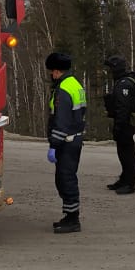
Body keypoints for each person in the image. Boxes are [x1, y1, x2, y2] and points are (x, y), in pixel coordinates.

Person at [45, 52, 87, 234]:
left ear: (56, 71)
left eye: (51, 72)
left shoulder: (63, 89)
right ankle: (69, 215)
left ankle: (72, 219)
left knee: (66, 179)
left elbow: (61, 120)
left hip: (66, 141)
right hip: (74, 138)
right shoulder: (74, 84)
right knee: (66, 177)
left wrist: (54, 144)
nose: (50, 75)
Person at [102, 54, 135, 194]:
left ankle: (129, 184)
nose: (109, 72)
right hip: (124, 123)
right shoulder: (122, 82)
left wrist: (118, 127)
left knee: (127, 154)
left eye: (111, 69)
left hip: (125, 125)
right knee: (123, 153)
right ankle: (124, 180)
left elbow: (123, 109)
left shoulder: (124, 84)